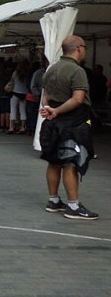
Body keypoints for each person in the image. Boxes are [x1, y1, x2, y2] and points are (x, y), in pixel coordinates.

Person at [39, 35, 97, 220]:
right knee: (71, 161)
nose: (85, 50)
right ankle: (73, 205)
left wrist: (50, 110)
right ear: (78, 48)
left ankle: (53, 200)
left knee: (54, 161)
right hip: (72, 123)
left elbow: (45, 96)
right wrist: (57, 111)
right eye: (85, 47)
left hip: (52, 123)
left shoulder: (51, 69)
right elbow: (78, 99)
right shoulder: (77, 71)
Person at [8, 59, 30, 135]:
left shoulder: (15, 73)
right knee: (22, 111)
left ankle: (11, 127)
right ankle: (22, 127)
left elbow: (12, 82)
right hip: (24, 93)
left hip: (15, 93)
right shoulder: (27, 74)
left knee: (13, 110)